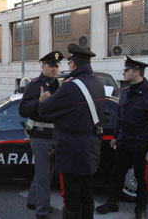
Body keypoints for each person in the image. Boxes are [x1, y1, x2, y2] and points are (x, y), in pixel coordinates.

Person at [95, 56, 148, 219]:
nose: (123, 72)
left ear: (136, 72)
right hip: (124, 144)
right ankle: (113, 203)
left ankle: (141, 208)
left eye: (126, 70)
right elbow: (121, 118)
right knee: (116, 175)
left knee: (142, 179)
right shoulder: (126, 92)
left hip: (141, 146)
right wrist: (115, 137)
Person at [38, 43, 105, 219]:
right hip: (90, 149)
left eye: (68, 63)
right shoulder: (97, 83)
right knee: (87, 195)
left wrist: (43, 100)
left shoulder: (71, 85)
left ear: (73, 64)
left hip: (72, 152)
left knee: (71, 198)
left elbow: (45, 111)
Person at [19, 50, 63, 219]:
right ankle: (42, 211)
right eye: (51, 66)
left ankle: (32, 200)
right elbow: (22, 110)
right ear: (43, 66)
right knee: (44, 175)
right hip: (40, 133)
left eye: (57, 66)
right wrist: (39, 101)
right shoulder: (35, 85)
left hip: (54, 133)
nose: (54, 69)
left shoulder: (58, 85)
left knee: (46, 171)